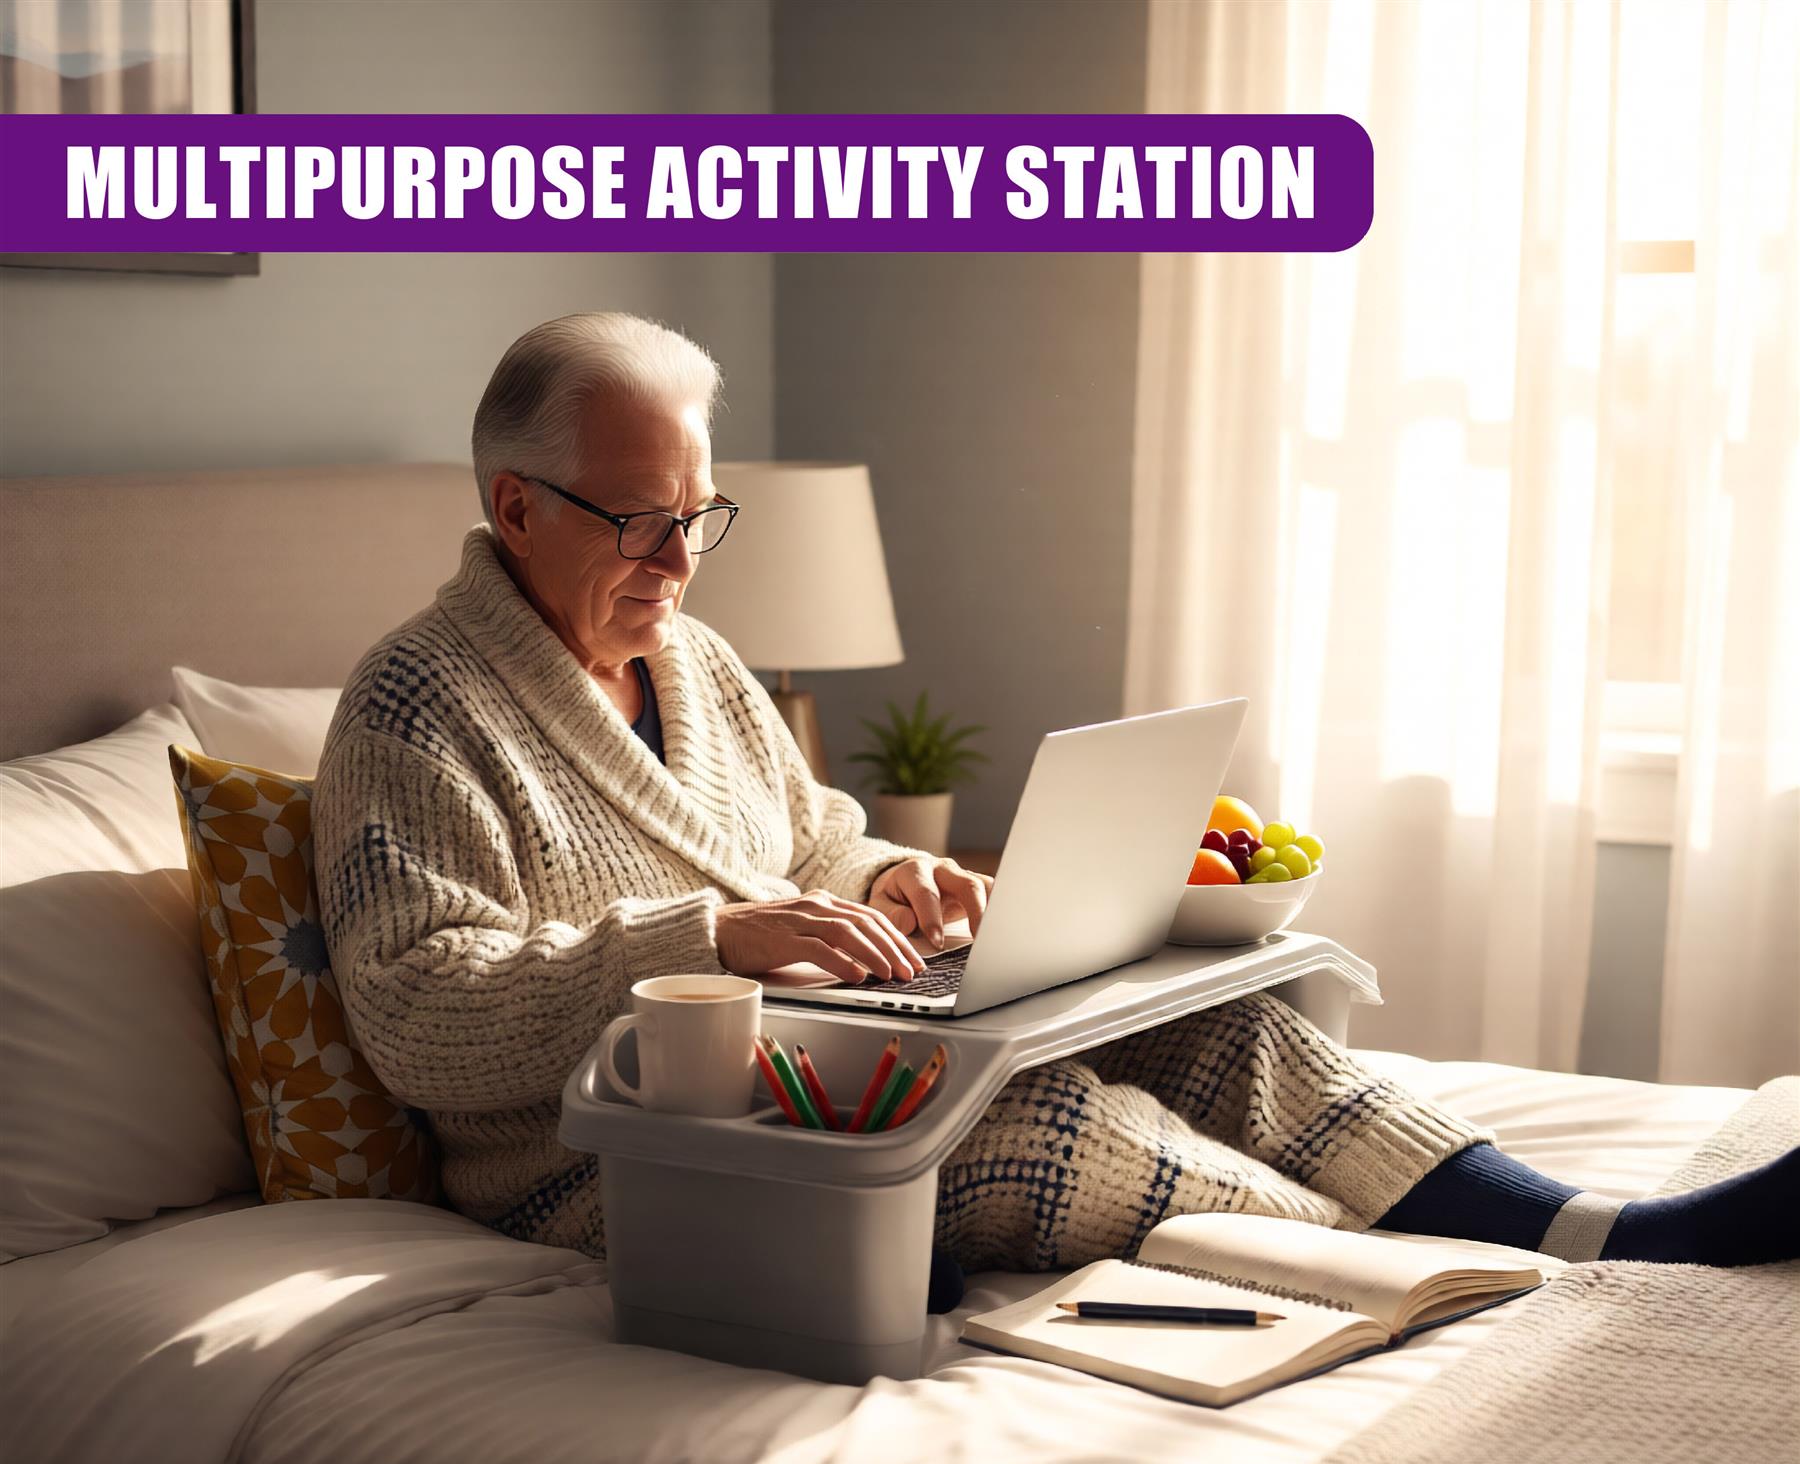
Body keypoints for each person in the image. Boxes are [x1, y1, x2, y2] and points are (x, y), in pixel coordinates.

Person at [313, 313, 1797, 1286]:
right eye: (644, 522)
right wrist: (708, 940)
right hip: (613, 1152)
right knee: (1047, 1131)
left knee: (1217, 1026)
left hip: (820, 1064)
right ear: (516, 505)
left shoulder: (692, 658)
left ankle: (1586, 1227)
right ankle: (1458, 1276)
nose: (684, 561)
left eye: (700, 518)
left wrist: (897, 880)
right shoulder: (412, 708)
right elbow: (416, 1011)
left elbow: (816, 838)